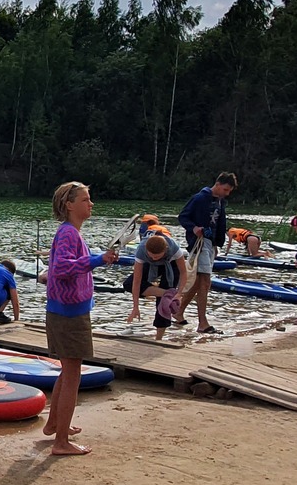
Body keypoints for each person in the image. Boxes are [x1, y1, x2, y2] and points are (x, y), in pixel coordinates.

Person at [42, 181, 118, 456]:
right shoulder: (68, 233)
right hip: (68, 314)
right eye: (86, 200)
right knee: (73, 373)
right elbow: (61, 268)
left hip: (66, 311)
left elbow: (63, 267)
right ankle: (61, 442)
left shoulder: (71, 232)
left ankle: (54, 424)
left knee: (67, 369)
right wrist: (97, 260)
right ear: (69, 205)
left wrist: (100, 259)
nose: (91, 204)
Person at [177, 173, 237, 336]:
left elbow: (219, 223)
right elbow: (182, 217)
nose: (227, 193)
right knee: (205, 282)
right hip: (200, 243)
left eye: (229, 191)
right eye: (225, 189)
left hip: (210, 244)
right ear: (217, 184)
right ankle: (202, 323)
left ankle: (178, 311)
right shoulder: (199, 198)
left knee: (198, 282)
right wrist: (194, 228)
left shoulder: (220, 202)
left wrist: (218, 243)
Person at [126, 231, 189, 340]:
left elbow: (183, 272)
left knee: (163, 303)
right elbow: (136, 281)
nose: (155, 258)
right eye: (152, 256)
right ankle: (168, 293)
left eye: (157, 256)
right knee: (128, 284)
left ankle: (159, 338)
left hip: (170, 265)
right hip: (149, 265)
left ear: (165, 250)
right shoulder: (141, 250)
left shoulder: (174, 249)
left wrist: (179, 293)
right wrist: (135, 307)